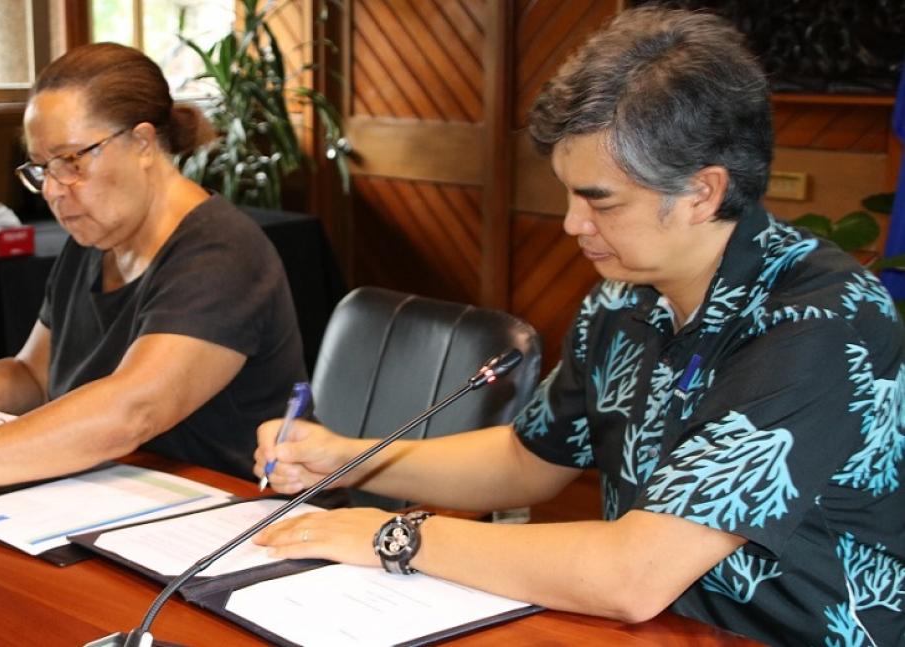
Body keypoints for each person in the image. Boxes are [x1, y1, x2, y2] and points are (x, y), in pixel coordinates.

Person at [251, 7, 905, 646]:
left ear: (702, 192)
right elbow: (527, 460)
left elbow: (632, 573)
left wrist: (392, 536)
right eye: (567, 193)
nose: (571, 224)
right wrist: (348, 459)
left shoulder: (818, 320)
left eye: (601, 201)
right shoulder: (624, 298)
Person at [0, 43, 306, 504]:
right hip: (113, 498)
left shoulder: (221, 253)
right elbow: (32, 377)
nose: (54, 191)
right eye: (42, 168)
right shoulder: (96, 238)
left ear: (142, 143)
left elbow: (132, 410)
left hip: (223, 519)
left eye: (72, 162)